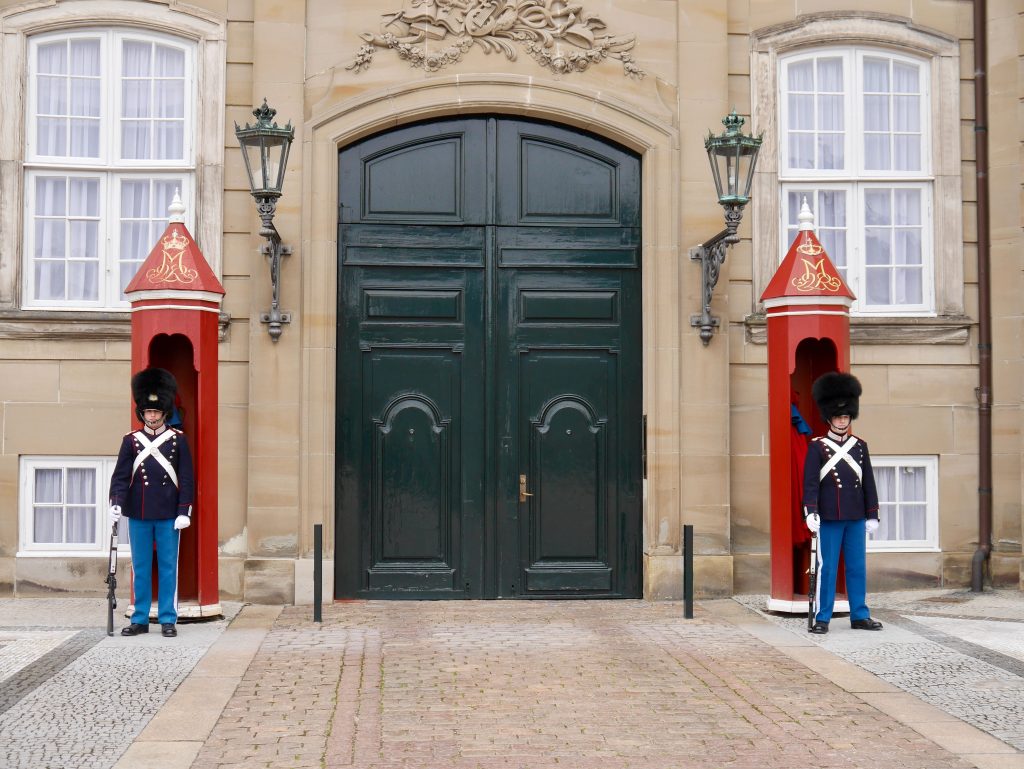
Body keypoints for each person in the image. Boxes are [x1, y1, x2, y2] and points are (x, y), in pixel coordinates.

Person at [108, 368, 194, 638]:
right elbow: (121, 476)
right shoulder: (131, 441)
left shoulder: (178, 441)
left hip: (169, 513)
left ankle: (168, 618)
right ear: (142, 413)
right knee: (141, 567)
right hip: (140, 514)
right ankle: (140, 617)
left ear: (164, 412)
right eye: (148, 412)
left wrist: (184, 511)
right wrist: (116, 502)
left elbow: (187, 478)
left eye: (156, 412)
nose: (153, 416)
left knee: (169, 567)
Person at [802, 371, 883, 634]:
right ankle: (823, 617)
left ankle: (859, 614)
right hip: (830, 517)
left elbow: (868, 481)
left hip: (856, 516)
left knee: (857, 567)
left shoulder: (860, 446)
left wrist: (872, 514)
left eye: (846, 416)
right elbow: (811, 483)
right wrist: (810, 511)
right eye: (838, 416)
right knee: (827, 568)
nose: (842, 420)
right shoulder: (817, 447)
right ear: (829, 418)